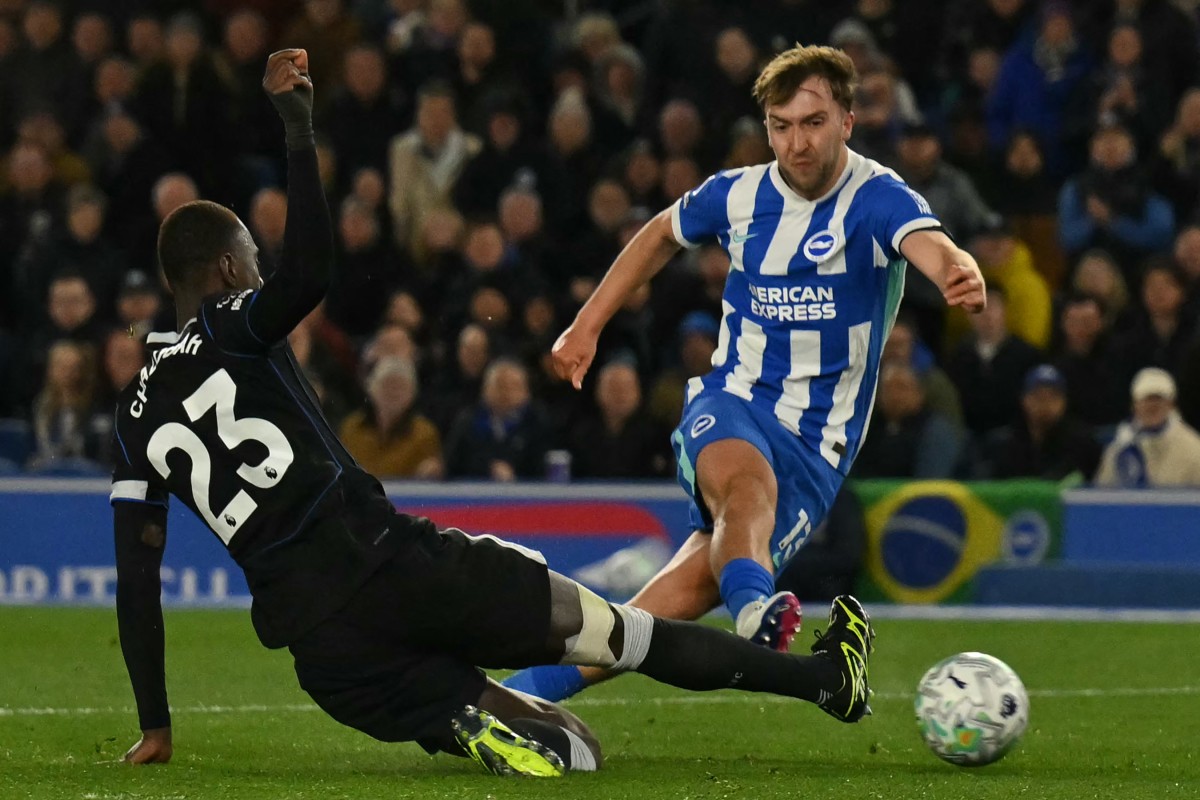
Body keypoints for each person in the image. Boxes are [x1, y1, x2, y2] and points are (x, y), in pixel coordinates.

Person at [109, 51, 877, 778]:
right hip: (392, 562)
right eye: (250, 261)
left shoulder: (133, 416)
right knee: (623, 643)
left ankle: (467, 712)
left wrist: (156, 723)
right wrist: (299, 130)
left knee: (532, 726)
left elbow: (136, 580)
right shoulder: (233, 323)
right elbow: (308, 271)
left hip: (323, 651)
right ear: (225, 272)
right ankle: (817, 680)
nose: (257, 273)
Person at [505, 44, 983, 702]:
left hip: (818, 448)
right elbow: (658, 235)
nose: (797, 143)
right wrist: (586, 325)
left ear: (846, 120)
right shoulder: (738, 195)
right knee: (744, 488)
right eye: (781, 126)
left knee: (654, 615)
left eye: (813, 123)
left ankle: (515, 696)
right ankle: (757, 611)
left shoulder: (876, 199)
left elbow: (925, 241)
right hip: (734, 401)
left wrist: (957, 265)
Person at [1095, 367, 1200, 488]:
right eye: (1146, 399)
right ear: (1134, 405)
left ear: (1171, 404)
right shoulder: (1120, 448)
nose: (1152, 406)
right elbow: (1102, 494)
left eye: (1159, 399)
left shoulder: (1194, 449)